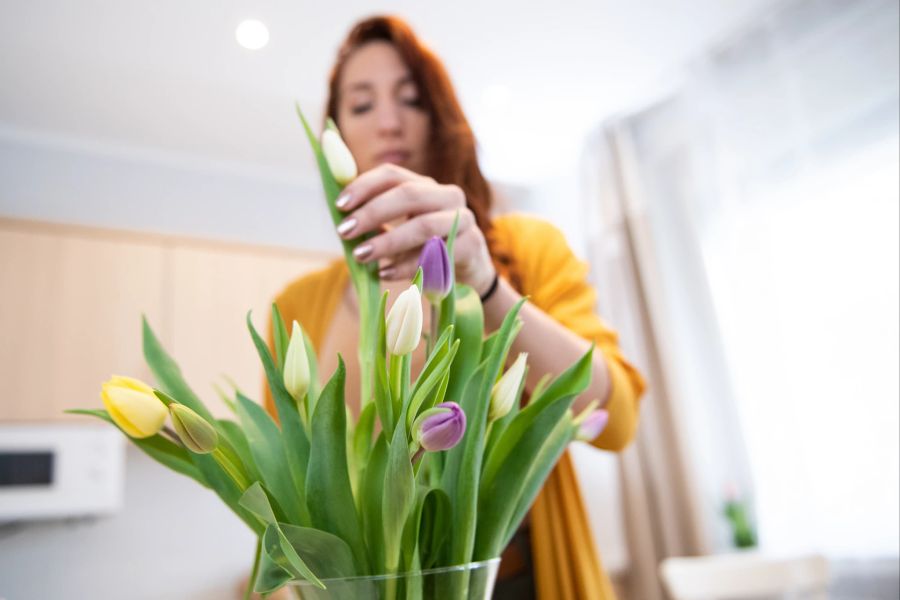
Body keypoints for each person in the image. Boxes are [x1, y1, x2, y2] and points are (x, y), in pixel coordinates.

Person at [266, 15, 645, 600]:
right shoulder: (297, 307)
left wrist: (485, 282)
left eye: (411, 99)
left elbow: (615, 420)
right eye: (362, 106)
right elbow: (282, 502)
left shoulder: (525, 250)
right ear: (334, 135)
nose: (390, 121)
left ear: (440, 116)